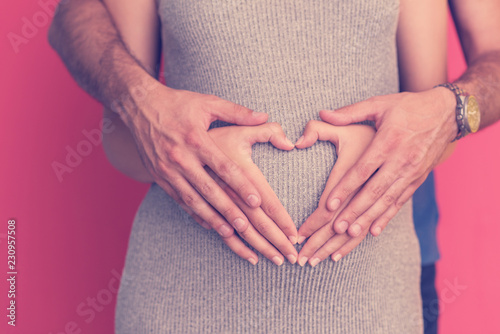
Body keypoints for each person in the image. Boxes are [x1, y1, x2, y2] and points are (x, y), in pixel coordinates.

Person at [48, 0, 500, 332]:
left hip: (367, 299)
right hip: (183, 295)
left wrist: (411, 131)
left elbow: (434, 128)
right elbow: (123, 135)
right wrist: (175, 146)